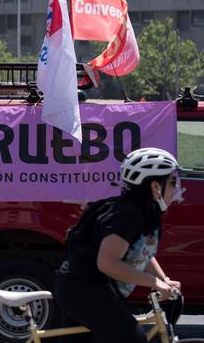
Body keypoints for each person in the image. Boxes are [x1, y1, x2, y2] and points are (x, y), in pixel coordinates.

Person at [54, 147, 183, 343]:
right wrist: (154, 283)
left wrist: (163, 279)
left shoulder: (143, 211)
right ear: (156, 186)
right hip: (83, 289)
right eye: (172, 182)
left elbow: (142, 251)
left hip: (90, 288)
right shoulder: (127, 216)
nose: (175, 188)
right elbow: (108, 264)